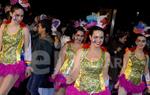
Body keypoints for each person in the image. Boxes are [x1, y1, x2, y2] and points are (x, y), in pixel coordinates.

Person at [66, 26, 111, 95]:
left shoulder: (106, 55)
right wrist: (71, 78)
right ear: (90, 37)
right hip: (80, 90)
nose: (99, 40)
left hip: (97, 91)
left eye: (101, 37)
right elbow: (76, 69)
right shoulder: (81, 52)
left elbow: (104, 75)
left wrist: (105, 90)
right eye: (95, 37)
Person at [0, 3, 32, 95]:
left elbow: (27, 49)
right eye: (17, 15)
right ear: (11, 14)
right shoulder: (3, 27)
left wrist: (28, 66)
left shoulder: (24, 29)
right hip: (2, 63)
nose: (20, 18)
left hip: (15, 64)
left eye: (22, 16)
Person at [51, 26, 85, 95]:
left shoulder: (85, 49)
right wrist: (55, 72)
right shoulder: (67, 45)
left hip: (76, 78)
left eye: (82, 36)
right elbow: (60, 60)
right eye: (78, 35)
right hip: (63, 75)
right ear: (73, 35)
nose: (79, 38)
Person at [27, 19, 54, 95]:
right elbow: (29, 36)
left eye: (39, 26)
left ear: (44, 28)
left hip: (40, 68)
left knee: (33, 90)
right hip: (35, 66)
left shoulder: (48, 40)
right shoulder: (38, 36)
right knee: (29, 87)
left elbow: (46, 57)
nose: (37, 28)